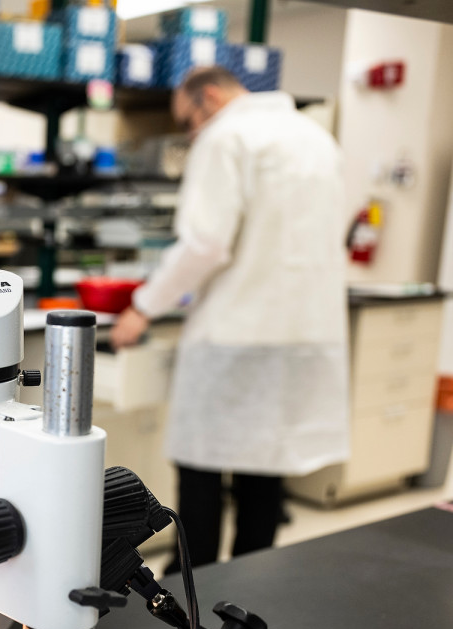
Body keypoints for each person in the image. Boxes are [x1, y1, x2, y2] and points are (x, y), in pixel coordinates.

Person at [110, 67, 349, 569]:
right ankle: (249, 588)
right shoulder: (315, 138)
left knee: (201, 470)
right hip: (303, 335)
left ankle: (192, 587)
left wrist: (142, 307)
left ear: (210, 98)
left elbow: (206, 244)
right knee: (265, 473)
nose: (190, 134)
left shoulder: (227, 137)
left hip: (235, 335)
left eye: (187, 123)